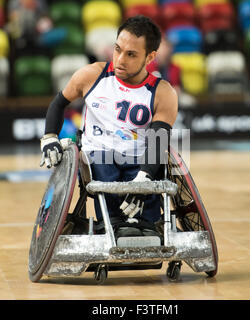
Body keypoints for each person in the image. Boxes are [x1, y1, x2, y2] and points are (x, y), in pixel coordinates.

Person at [40, 15, 178, 238]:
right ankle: (111, 223)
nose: (120, 59)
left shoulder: (163, 93)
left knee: (149, 181)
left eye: (131, 54)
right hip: (98, 155)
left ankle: (146, 224)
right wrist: (49, 137)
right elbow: (58, 104)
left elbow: (158, 141)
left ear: (150, 57)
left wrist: (145, 179)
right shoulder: (91, 75)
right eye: (117, 49)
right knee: (104, 165)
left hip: (139, 158)